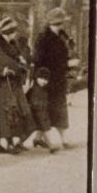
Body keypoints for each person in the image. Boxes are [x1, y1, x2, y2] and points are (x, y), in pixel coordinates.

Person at [0, 17, 37, 154]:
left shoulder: (13, 45)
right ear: (8, 32)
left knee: (22, 111)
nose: (15, 34)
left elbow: (21, 61)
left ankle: (16, 141)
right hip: (1, 85)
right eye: (13, 31)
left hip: (15, 84)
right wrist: (2, 70)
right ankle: (4, 143)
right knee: (6, 114)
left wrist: (22, 67)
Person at [34, 8, 79, 148]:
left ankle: (38, 138)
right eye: (62, 22)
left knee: (53, 109)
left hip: (57, 79)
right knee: (54, 109)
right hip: (48, 79)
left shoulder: (61, 36)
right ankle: (63, 140)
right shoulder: (44, 38)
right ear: (58, 23)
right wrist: (67, 64)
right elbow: (39, 60)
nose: (63, 25)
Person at [27, 67, 58, 152]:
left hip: (41, 112)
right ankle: (51, 145)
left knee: (43, 126)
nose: (44, 81)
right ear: (37, 78)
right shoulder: (34, 89)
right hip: (36, 112)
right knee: (44, 127)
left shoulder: (43, 89)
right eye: (41, 78)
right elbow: (33, 101)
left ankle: (37, 140)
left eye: (46, 79)